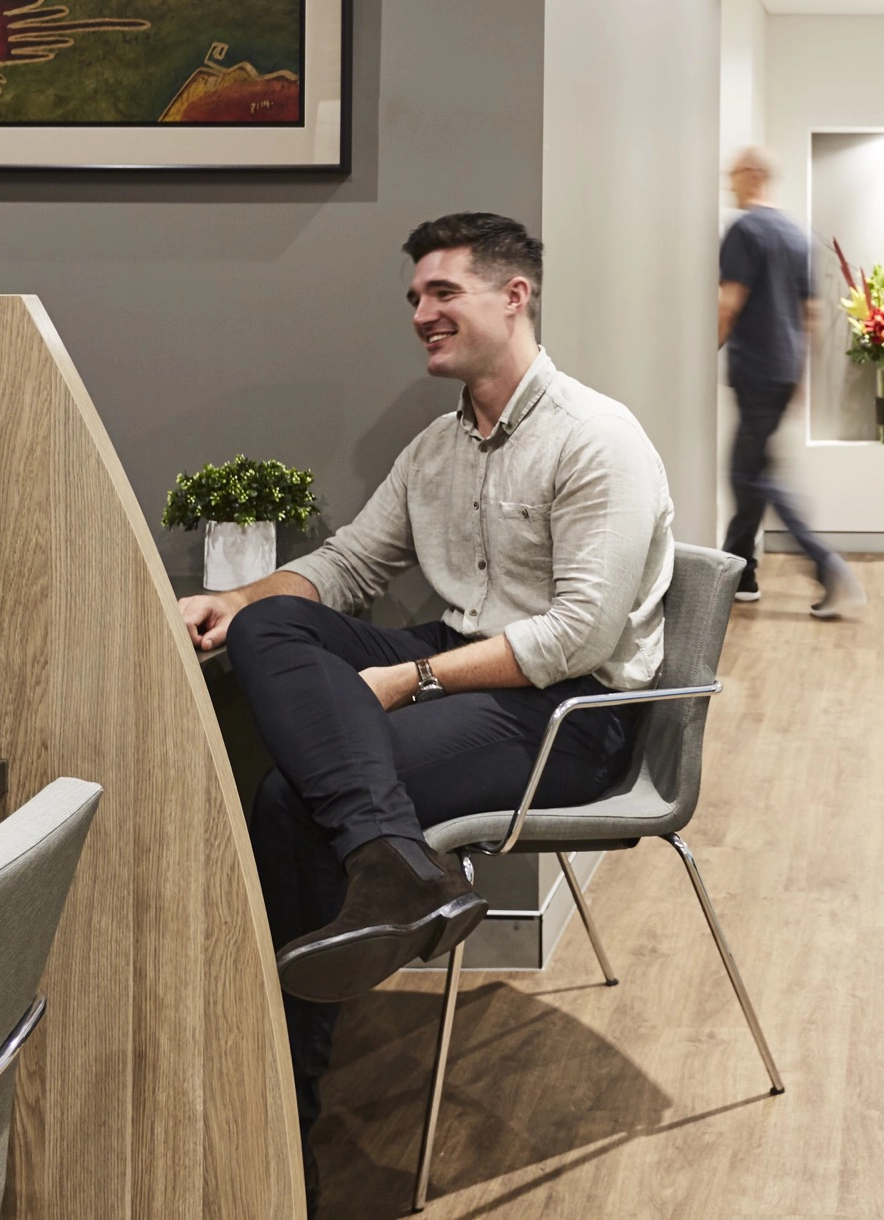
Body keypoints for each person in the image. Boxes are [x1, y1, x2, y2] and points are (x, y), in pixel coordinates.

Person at [178, 212, 674, 1215]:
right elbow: (354, 564)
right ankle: (395, 863)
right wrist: (238, 601)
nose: (420, 314)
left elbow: (577, 636)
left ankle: (288, 1099)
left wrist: (409, 684)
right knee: (276, 631)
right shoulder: (437, 448)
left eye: (441, 292)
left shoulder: (596, 438)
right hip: (458, 660)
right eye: (414, 297)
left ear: (513, 297)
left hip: (567, 715)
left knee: (289, 800)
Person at [719, 148, 865, 619]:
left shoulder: (745, 231)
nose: (729, 184)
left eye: (734, 175)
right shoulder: (796, 235)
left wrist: (706, 352)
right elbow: (811, 313)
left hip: (756, 369)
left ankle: (827, 566)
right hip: (781, 369)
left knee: (752, 474)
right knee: (751, 470)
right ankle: (741, 575)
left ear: (751, 176)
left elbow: (729, 302)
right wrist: (802, 377)